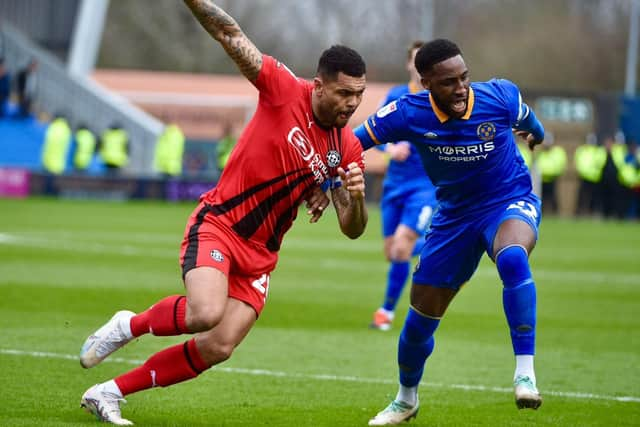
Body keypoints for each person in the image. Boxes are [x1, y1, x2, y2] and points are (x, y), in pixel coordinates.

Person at [78, 1, 368, 425]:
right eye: (344, 93)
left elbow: (352, 229)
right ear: (319, 85)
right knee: (205, 313)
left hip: (261, 257)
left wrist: (355, 198)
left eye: (359, 94)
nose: (352, 104)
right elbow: (229, 33)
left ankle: (109, 393)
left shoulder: (347, 149)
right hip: (220, 224)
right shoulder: (284, 89)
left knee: (219, 346)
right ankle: (130, 325)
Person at [354, 39, 545, 425]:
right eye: (448, 83)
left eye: (464, 78)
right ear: (425, 83)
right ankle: (406, 399)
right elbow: (353, 142)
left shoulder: (499, 97)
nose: (460, 90)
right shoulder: (408, 112)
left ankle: (525, 371)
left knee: (511, 257)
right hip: (454, 217)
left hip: (508, 201)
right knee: (419, 321)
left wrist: (536, 134)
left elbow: (530, 121)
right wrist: (325, 181)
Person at [369, 41, 437, 331]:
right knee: (393, 252)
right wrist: (391, 150)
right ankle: (434, 245)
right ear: (409, 64)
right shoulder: (396, 96)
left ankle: (386, 312)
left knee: (400, 248)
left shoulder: (438, 99)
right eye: (415, 61)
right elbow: (377, 133)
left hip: (424, 187)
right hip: (394, 185)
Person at [574, 133, 606, 217]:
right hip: (584, 177)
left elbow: (599, 163)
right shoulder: (582, 150)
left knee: (595, 198)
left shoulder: (599, 151)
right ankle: (580, 213)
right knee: (582, 197)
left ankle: (594, 213)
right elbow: (579, 162)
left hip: (595, 178)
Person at [535, 132, 567, 215]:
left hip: (552, 178)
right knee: (541, 198)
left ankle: (554, 213)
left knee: (553, 197)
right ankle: (541, 213)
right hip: (542, 179)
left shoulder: (557, 152)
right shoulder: (540, 154)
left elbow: (559, 164)